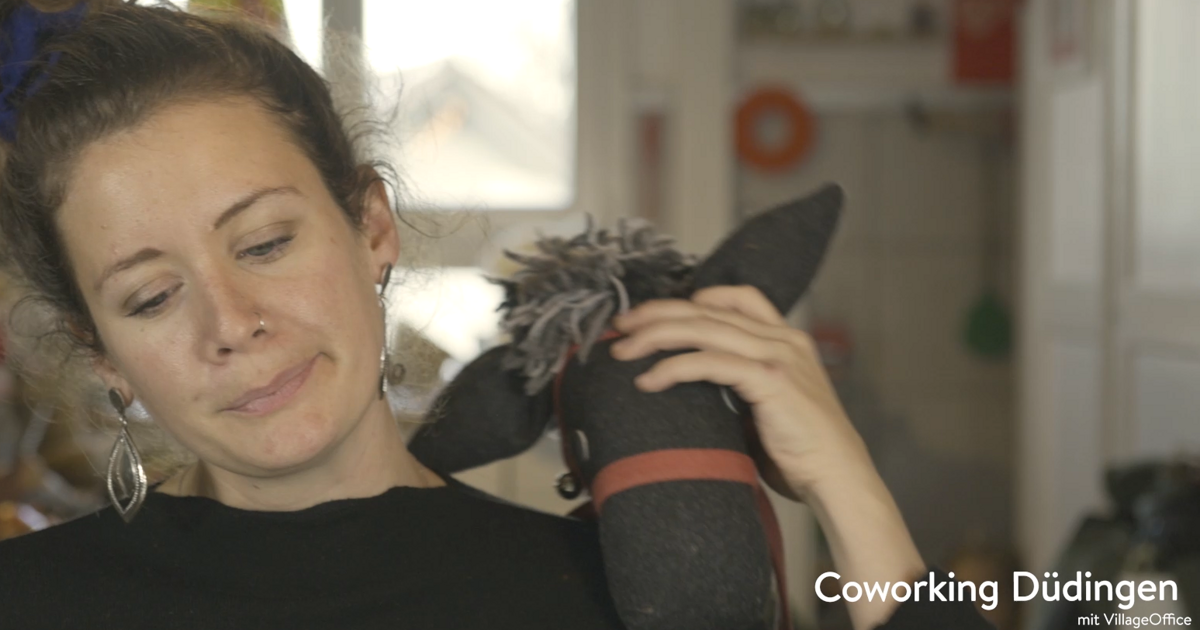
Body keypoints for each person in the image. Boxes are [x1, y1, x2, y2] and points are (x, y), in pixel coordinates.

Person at [0, 1, 994, 629]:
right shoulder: (32, 600)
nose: (231, 321)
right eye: (152, 297)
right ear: (104, 355)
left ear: (371, 227)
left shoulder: (611, 596)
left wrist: (850, 492)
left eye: (264, 243)